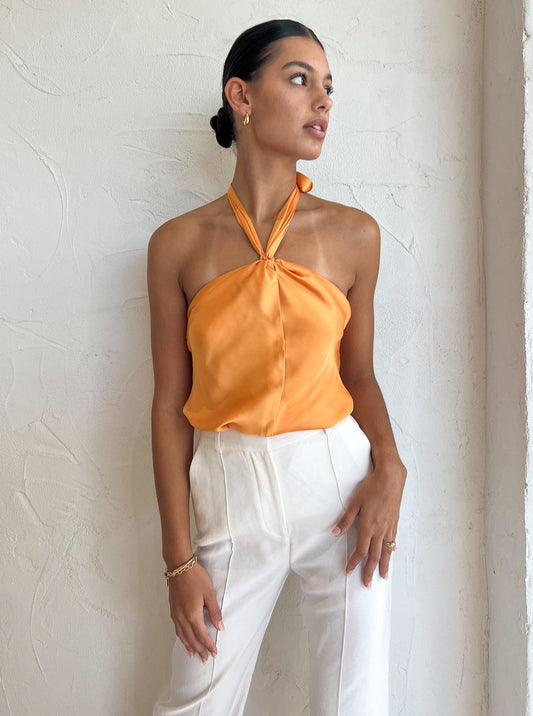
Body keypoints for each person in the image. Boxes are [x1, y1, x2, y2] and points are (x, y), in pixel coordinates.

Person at [149, 18, 407, 716]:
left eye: (328, 86)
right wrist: (178, 561)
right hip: (228, 492)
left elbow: (359, 376)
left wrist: (389, 464)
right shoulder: (177, 244)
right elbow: (169, 405)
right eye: (299, 80)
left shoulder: (354, 234)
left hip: (341, 487)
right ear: (241, 95)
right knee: (193, 704)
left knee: (356, 704)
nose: (323, 101)